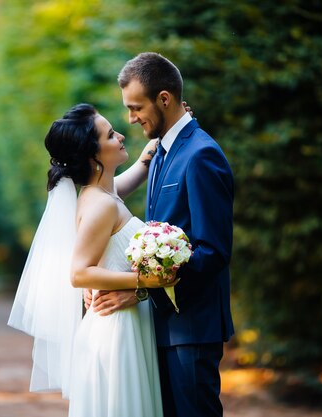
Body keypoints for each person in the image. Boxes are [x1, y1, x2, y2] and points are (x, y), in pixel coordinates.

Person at [89, 52, 235, 417]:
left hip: (193, 328)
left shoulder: (201, 155)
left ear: (164, 99)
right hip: (164, 326)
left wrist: (140, 288)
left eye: (136, 107)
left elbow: (212, 251)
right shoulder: (159, 153)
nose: (131, 118)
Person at [8, 103, 176, 417]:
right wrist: (146, 281)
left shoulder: (102, 195)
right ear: (93, 155)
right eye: (111, 135)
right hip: (117, 331)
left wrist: (148, 154)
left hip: (122, 323)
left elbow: (122, 188)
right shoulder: (101, 205)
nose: (122, 135)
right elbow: (80, 273)